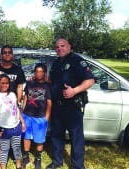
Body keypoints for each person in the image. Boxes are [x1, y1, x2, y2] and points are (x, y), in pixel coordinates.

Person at [46, 37, 95, 169]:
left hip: (73, 106)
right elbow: (53, 81)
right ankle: (57, 161)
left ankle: (77, 166)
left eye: (62, 46)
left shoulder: (77, 61)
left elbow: (90, 81)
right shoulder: (56, 63)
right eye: (57, 47)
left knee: (76, 138)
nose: (59, 48)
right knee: (56, 135)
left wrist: (74, 91)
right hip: (57, 106)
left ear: (69, 47)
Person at [0, 74, 26, 169]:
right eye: (2, 83)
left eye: (7, 83)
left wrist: (22, 122)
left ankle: (18, 165)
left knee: (17, 147)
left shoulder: (12, 94)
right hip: (4, 129)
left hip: (16, 126)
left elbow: (16, 109)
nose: (5, 85)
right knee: (4, 149)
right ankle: (3, 166)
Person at [21, 63, 52, 169]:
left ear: (44, 73)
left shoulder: (48, 86)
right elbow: (25, 98)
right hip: (27, 115)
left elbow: (49, 103)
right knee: (26, 137)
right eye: (37, 71)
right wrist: (22, 112)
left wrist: (46, 117)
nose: (38, 73)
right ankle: (26, 156)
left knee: (39, 139)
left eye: (41, 71)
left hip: (40, 117)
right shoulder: (29, 83)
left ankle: (38, 158)